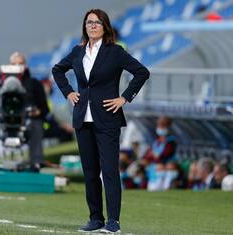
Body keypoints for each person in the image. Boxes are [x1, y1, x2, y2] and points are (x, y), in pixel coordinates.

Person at [52, 9, 150, 233]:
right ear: (84, 27)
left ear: (105, 26)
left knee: (109, 171)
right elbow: (57, 70)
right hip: (82, 120)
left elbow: (142, 72)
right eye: (89, 22)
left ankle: (113, 222)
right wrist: (68, 92)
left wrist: (124, 98)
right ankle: (95, 218)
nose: (92, 26)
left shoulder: (114, 52)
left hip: (107, 120)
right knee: (90, 172)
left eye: (97, 22)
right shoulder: (78, 52)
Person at [0, 52, 49, 172]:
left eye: (20, 64)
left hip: (26, 122)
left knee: (36, 125)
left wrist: (37, 112)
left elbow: (45, 109)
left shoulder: (34, 84)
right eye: (14, 64)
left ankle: (36, 162)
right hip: (4, 123)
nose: (17, 67)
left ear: (25, 66)